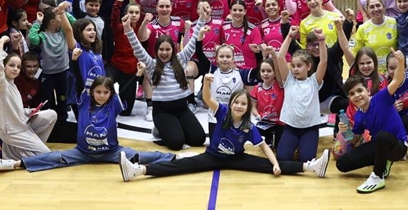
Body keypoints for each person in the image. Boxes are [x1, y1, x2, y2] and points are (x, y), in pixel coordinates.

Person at [119, 73, 329, 181]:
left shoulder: (248, 126)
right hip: (212, 156)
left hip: (236, 158)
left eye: (243, 104)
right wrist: (207, 82)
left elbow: (264, 147)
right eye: (236, 102)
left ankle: (310, 167)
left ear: (247, 108)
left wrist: (274, 164)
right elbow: (207, 98)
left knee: (270, 166)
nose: (239, 106)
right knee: (180, 166)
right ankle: (139, 171)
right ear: (231, 104)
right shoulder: (222, 112)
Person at [2, 74, 175, 172]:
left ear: (110, 94)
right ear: (92, 92)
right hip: (82, 153)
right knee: (54, 157)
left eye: (105, 92)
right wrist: (75, 61)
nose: (102, 95)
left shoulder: (113, 105)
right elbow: (78, 82)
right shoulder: (84, 102)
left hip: (112, 152)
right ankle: (15, 164)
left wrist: (137, 75)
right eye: (98, 92)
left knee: (142, 156)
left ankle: (174, 158)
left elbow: (125, 89)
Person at [126, 13, 206, 150]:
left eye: (167, 49)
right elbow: (137, 48)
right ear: (156, 51)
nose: (164, 53)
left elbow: (193, 42)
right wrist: (128, 29)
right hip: (163, 111)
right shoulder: (151, 64)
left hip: (182, 109)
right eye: (161, 49)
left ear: (173, 50)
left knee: (198, 139)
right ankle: (159, 129)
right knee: (176, 143)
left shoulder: (181, 59)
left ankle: (175, 127)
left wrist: (202, 19)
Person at [336, 50, 408, 193]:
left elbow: (397, 80)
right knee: (342, 164)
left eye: (359, 91)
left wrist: (400, 62)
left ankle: (377, 176)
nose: (357, 95)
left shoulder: (381, 97)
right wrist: (346, 131)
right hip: (379, 146)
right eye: (352, 94)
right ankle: (382, 161)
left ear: (368, 91)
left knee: (382, 136)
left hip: (398, 146)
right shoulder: (358, 116)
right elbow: (354, 140)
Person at [0, 36, 56, 166]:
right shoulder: (1, 83)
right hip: (12, 131)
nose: (15, 68)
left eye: (18, 67)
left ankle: (14, 150)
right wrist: (1, 43)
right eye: (11, 66)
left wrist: (29, 111)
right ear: (4, 67)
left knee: (51, 114)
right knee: (48, 157)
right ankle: (11, 157)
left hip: (22, 125)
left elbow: (15, 109)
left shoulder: (13, 84)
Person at [274, 26, 327, 162]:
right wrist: (289, 36)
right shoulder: (289, 80)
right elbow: (280, 57)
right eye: (293, 66)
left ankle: (302, 147)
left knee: (307, 159)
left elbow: (323, 61)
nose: (295, 69)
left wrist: (321, 41)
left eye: (299, 66)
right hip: (291, 127)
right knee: (282, 158)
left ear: (308, 66)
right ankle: (295, 146)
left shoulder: (314, 81)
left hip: (310, 128)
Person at [28, 3, 76, 122]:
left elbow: (74, 23)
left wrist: (62, 11)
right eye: (60, 16)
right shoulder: (43, 36)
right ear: (52, 22)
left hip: (62, 72)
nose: (63, 18)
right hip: (47, 74)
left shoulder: (63, 32)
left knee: (63, 99)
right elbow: (32, 39)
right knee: (46, 100)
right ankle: (47, 122)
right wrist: (38, 22)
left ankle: (62, 120)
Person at [351, 0, 398, 73]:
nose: (375, 9)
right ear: (367, 10)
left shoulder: (394, 23)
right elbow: (357, 53)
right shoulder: (363, 28)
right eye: (371, 7)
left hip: (393, 72)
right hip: (373, 73)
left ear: (384, 7)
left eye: (378, 5)